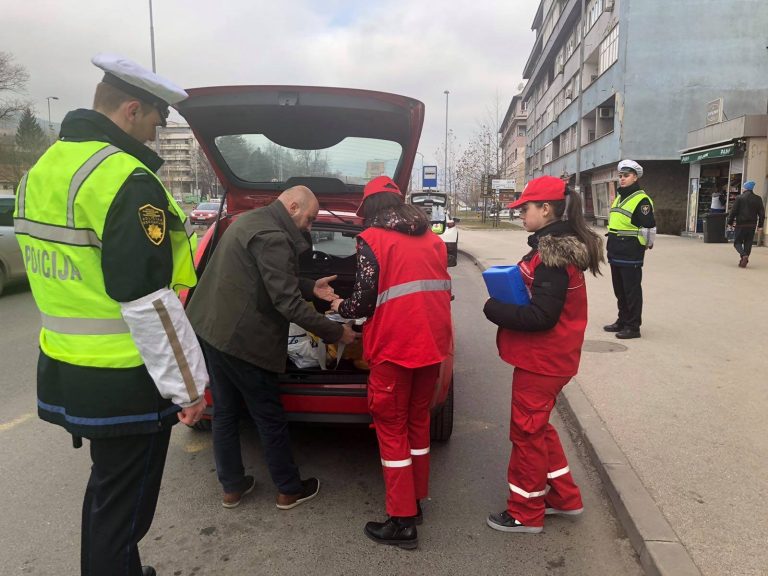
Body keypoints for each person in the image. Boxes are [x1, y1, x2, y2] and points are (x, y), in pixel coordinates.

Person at [13, 54, 208, 576]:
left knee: (109, 495)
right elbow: (148, 302)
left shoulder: (42, 170)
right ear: (130, 109)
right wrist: (189, 388)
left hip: (66, 365)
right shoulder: (126, 179)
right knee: (124, 512)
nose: (157, 131)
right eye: (157, 119)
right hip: (127, 376)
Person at [186, 186, 356, 510]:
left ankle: (232, 487)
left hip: (211, 331)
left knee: (224, 413)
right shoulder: (274, 236)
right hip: (243, 340)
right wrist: (336, 332)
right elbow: (288, 303)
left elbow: (263, 277)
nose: (309, 227)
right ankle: (289, 489)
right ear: (293, 206)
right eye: (309, 219)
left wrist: (311, 286)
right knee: (269, 416)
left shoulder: (251, 221)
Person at [329, 176, 453, 550]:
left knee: (391, 429)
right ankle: (414, 503)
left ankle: (401, 522)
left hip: (395, 348)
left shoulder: (372, 240)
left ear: (369, 209)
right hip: (431, 345)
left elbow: (364, 301)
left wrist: (338, 307)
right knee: (417, 426)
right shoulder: (433, 239)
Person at [482, 175, 604, 533]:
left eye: (526, 208)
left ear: (546, 209)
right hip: (549, 359)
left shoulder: (553, 255)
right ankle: (565, 498)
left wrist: (494, 309)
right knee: (537, 429)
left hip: (543, 361)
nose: (521, 213)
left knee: (526, 434)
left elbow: (542, 317)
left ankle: (525, 511)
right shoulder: (550, 246)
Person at [603, 159, 655, 339]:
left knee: (631, 291)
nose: (622, 179)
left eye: (626, 176)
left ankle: (633, 327)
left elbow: (648, 227)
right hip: (616, 250)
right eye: (620, 176)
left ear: (635, 177)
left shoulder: (642, 200)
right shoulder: (620, 196)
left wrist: (645, 246)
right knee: (619, 290)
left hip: (631, 252)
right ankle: (622, 320)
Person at [727, 180, 764, 268]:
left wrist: (730, 222)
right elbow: (761, 213)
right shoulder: (758, 198)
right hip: (752, 225)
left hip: (741, 224)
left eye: (743, 187)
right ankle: (744, 259)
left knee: (737, 242)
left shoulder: (740, 198)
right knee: (748, 242)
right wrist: (760, 225)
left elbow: (734, 211)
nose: (742, 188)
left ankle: (743, 256)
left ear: (746, 188)